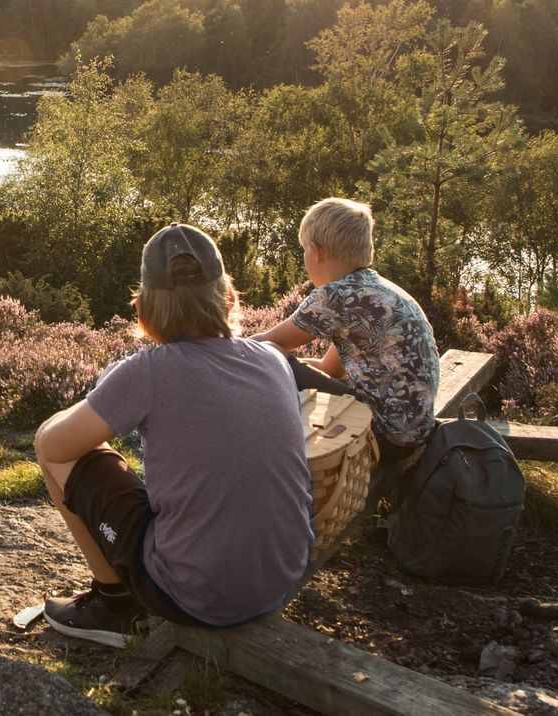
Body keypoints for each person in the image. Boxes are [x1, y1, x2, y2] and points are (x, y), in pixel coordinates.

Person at [33, 223, 315, 647]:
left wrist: (108, 389)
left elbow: (54, 445)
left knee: (50, 443)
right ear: (230, 297)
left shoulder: (147, 371)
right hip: (282, 581)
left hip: (195, 596)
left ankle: (113, 604)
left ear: (143, 309)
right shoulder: (272, 358)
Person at [252, 197, 441, 466]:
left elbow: (262, 345)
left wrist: (212, 350)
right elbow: (330, 370)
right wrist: (304, 368)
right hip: (412, 434)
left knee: (271, 357)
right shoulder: (379, 291)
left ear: (316, 251)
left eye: (304, 250)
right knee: (286, 364)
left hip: (381, 436)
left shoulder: (336, 295)